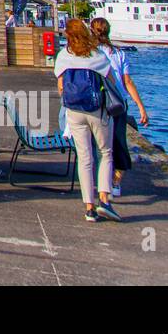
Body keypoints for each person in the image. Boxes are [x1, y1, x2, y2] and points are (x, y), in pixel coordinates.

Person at [54, 19, 120, 223]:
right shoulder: (97, 55)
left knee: (84, 158)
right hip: (97, 110)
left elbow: (61, 86)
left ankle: (89, 208)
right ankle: (104, 200)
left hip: (74, 110)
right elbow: (111, 81)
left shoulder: (64, 56)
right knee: (105, 153)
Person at [90, 16, 150, 198]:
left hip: (98, 101)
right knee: (119, 142)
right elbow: (127, 81)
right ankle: (116, 182)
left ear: (92, 31)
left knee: (97, 143)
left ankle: (98, 182)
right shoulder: (118, 53)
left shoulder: (90, 52)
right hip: (118, 102)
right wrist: (141, 107)